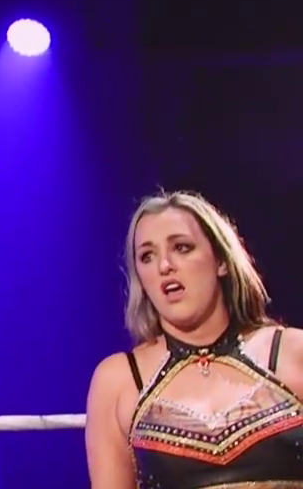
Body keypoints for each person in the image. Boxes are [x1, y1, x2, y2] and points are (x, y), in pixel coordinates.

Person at [83, 191, 303, 488]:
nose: (164, 266)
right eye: (147, 256)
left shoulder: (292, 353)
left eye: (182, 248)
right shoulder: (119, 381)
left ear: (221, 260)